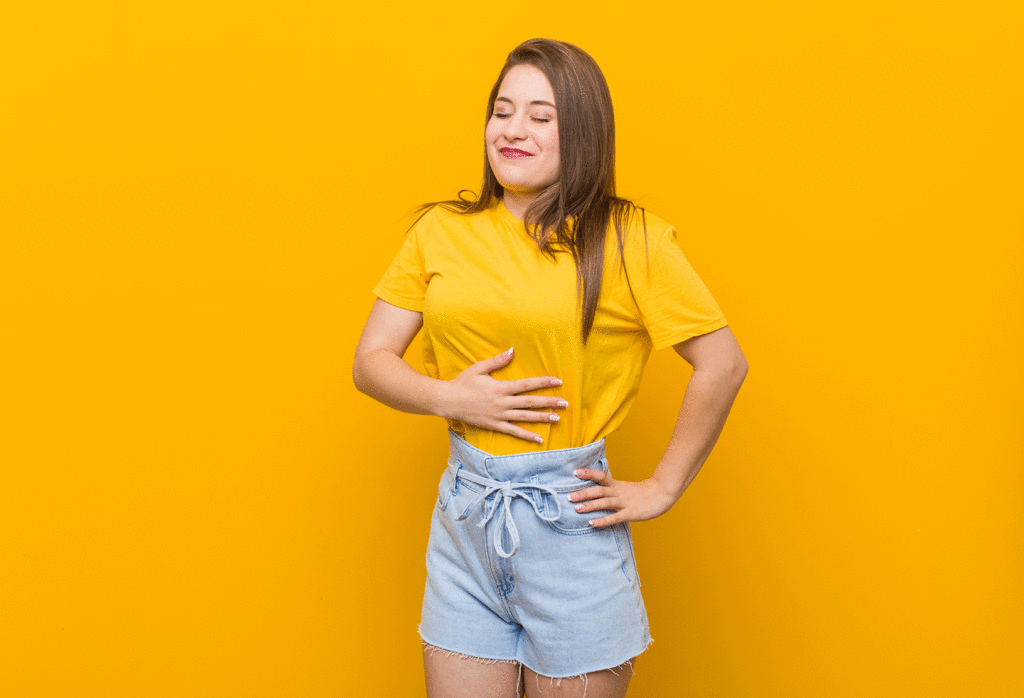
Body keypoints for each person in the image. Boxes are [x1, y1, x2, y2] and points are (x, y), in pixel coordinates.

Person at [353, 38, 748, 698]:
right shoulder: (440, 231)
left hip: (570, 525)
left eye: (541, 116)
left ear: (583, 131)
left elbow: (722, 363)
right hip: (466, 519)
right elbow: (370, 362)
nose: (513, 129)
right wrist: (452, 399)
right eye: (503, 111)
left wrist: (662, 487)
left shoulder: (631, 239)